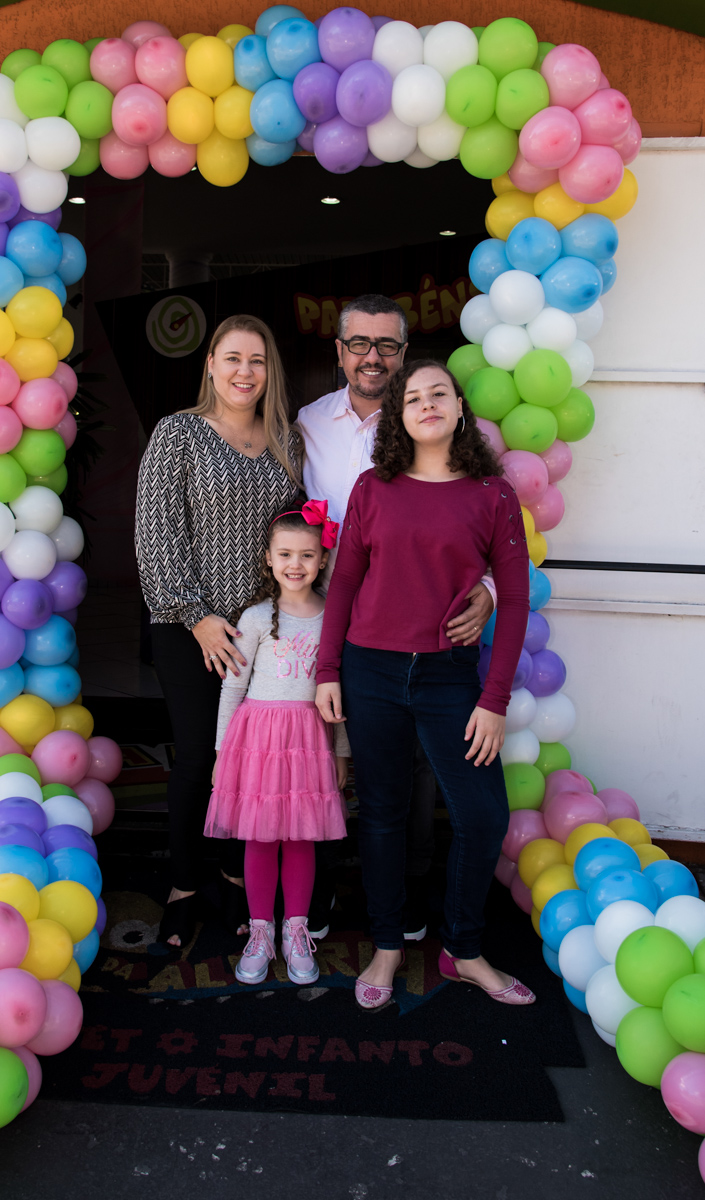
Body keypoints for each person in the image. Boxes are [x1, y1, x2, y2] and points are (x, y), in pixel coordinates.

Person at [316, 359, 534, 1012]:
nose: (426, 403)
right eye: (412, 397)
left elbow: (515, 600)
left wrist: (492, 701)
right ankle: (387, 943)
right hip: (370, 671)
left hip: (447, 678)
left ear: (459, 408)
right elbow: (345, 583)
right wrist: (327, 670)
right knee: (380, 813)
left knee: (481, 814)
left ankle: (462, 950)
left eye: (438, 393)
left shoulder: (491, 494)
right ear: (399, 416)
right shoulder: (371, 488)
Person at [296, 294, 496, 939]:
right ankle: (320, 890)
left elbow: (474, 522)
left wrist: (488, 586)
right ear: (339, 352)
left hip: (421, 613)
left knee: (413, 766)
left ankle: (407, 895)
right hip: (326, 601)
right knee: (323, 750)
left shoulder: (436, 423)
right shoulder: (305, 423)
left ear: (405, 356)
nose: (372, 357)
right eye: (359, 344)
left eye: (386, 346)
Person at [135, 314, 302, 949]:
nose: (244, 372)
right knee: (198, 756)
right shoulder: (178, 433)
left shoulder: (289, 441)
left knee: (249, 760)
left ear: (269, 370)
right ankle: (182, 884)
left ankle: (235, 877)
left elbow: (299, 537)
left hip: (265, 632)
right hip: (189, 627)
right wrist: (199, 617)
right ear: (210, 364)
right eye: (232, 358)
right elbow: (154, 532)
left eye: (256, 361)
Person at [204, 501, 349, 986]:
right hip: (259, 744)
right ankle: (261, 931)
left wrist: (343, 749)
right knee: (261, 836)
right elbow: (232, 687)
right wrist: (224, 753)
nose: (295, 565)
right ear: (268, 557)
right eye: (285, 553)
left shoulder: (334, 616)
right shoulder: (256, 616)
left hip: (309, 740)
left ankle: (296, 929)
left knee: (301, 837)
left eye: (307, 555)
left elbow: (338, 691)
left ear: (322, 559)